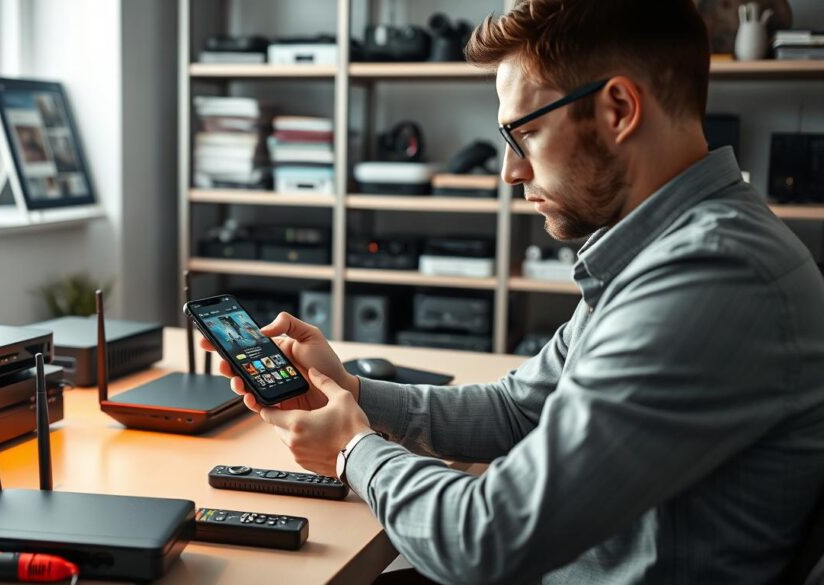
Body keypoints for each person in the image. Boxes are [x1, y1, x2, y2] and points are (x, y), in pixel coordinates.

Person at [202, 0, 824, 582]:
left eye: (522, 134)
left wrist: (351, 448)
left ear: (618, 110)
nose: (509, 171)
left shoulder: (707, 278)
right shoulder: (664, 250)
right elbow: (517, 411)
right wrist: (351, 390)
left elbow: (485, 537)